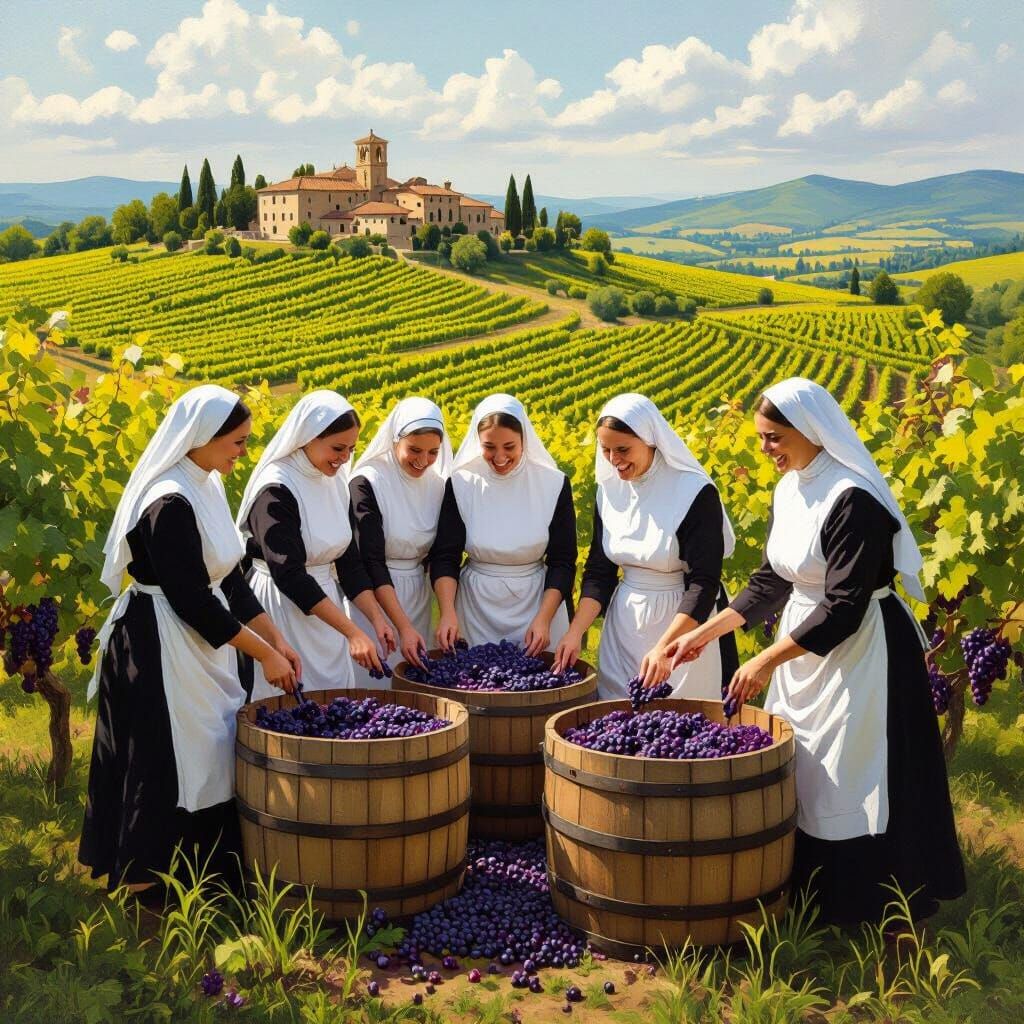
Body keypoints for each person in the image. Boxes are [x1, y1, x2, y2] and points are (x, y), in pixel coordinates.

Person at [666, 378, 966, 926]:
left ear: (810, 431)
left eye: (774, 438)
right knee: (808, 765)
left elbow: (846, 606)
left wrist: (763, 660)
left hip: (864, 648)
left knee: (857, 766)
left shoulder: (853, 499)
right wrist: (706, 633)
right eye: (760, 438)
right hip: (804, 641)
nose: (765, 450)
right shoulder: (791, 487)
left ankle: (880, 908)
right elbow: (770, 580)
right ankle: (814, 897)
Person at [79, 386, 301, 900]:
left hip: (201, 642)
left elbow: (229, 578)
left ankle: (204, 876)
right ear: (203, 437)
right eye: (238, 441)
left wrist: (275, 638)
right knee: (164, 759)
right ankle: (146, 884)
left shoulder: (207, 484)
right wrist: (263, 654)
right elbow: (191, 601)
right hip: (159, 642)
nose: (243, 451)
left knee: (210, 753)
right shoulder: (168, 502)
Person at [554, 393, 738, 699]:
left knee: (681, 728)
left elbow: (702, 584)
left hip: (684, 629)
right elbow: (600, 572)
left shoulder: (693, 492)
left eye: (623, 449)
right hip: (623, 627)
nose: (614, 460)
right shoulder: (609, 491)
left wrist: (665, 647)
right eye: (606, 450)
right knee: (617, 720)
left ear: (651, 440)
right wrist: (574, 633)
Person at [236, 391, 393, 700]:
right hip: (280, 606)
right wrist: (351, 631)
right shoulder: (276, 488)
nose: (345, 458)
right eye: (337, 448)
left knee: (333, 701)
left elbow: (347, 559)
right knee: (284, 705)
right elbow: (289, 574)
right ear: (308, 438)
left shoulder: (334, 479)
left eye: (351, 449)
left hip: (325, 608)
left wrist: (375, 619)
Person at [429, 393, 576, 654]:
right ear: (478, 442)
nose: (499, 457)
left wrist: (544, 619)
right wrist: (448, 613)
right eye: (489, 447)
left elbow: (562, 561)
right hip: (475, 608)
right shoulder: (462, 483)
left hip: (537, 604)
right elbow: (445, 556)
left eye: (509, 447)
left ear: (524, 441)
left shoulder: (552, 484)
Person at [349, 398, 452, 682]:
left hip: (417, 595)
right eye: (414, 450)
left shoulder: (437, 485)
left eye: (433, 452)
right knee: (372, 683)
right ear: (395, 440)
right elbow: (371, 560)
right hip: (374, 597)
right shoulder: (367, 482)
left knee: (410, 685)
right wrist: (402, 626)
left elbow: (441, 554)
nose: (423, 461)